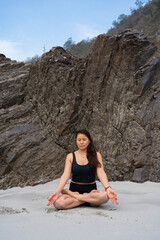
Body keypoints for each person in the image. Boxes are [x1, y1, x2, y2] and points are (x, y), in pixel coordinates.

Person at [47, 129, 119, 209]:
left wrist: (108, 188)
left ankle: (76, 197)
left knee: (105, 196)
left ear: (89, 141)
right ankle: (87, 199)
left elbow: (101, 172)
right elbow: (66, 175)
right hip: (76, 190)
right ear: (76, 141)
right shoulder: (70, 156)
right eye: (79, 140)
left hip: (91, 191)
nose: (81, 142)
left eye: (84, 140)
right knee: (58, 203)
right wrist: (56, 192)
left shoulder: (97, 155)